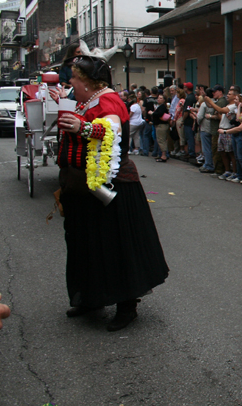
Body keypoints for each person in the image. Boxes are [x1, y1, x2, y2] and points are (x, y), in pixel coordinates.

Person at [52, 53, 169, 331]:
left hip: (109, 184)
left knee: (113, 244)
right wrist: (64, 105)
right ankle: (91, 298)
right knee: (85, 242)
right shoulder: (83, 100)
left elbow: (113, 130)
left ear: (89, 82)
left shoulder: (108, 100)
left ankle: (126, 306)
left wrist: (85, 127)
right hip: (80, 184)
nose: (70, 82)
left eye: (75, 78)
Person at [151, 93, 170, 162]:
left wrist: (152, 113)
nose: (158, 99)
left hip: (161, 125)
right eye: (158, 98)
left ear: (164, 100)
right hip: (159, 125)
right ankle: (162, 154)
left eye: (161, 98)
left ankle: (164, 155)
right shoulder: (160, 106)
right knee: (160, 140)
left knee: (161, 140)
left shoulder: (162, 107)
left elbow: (160, 114)